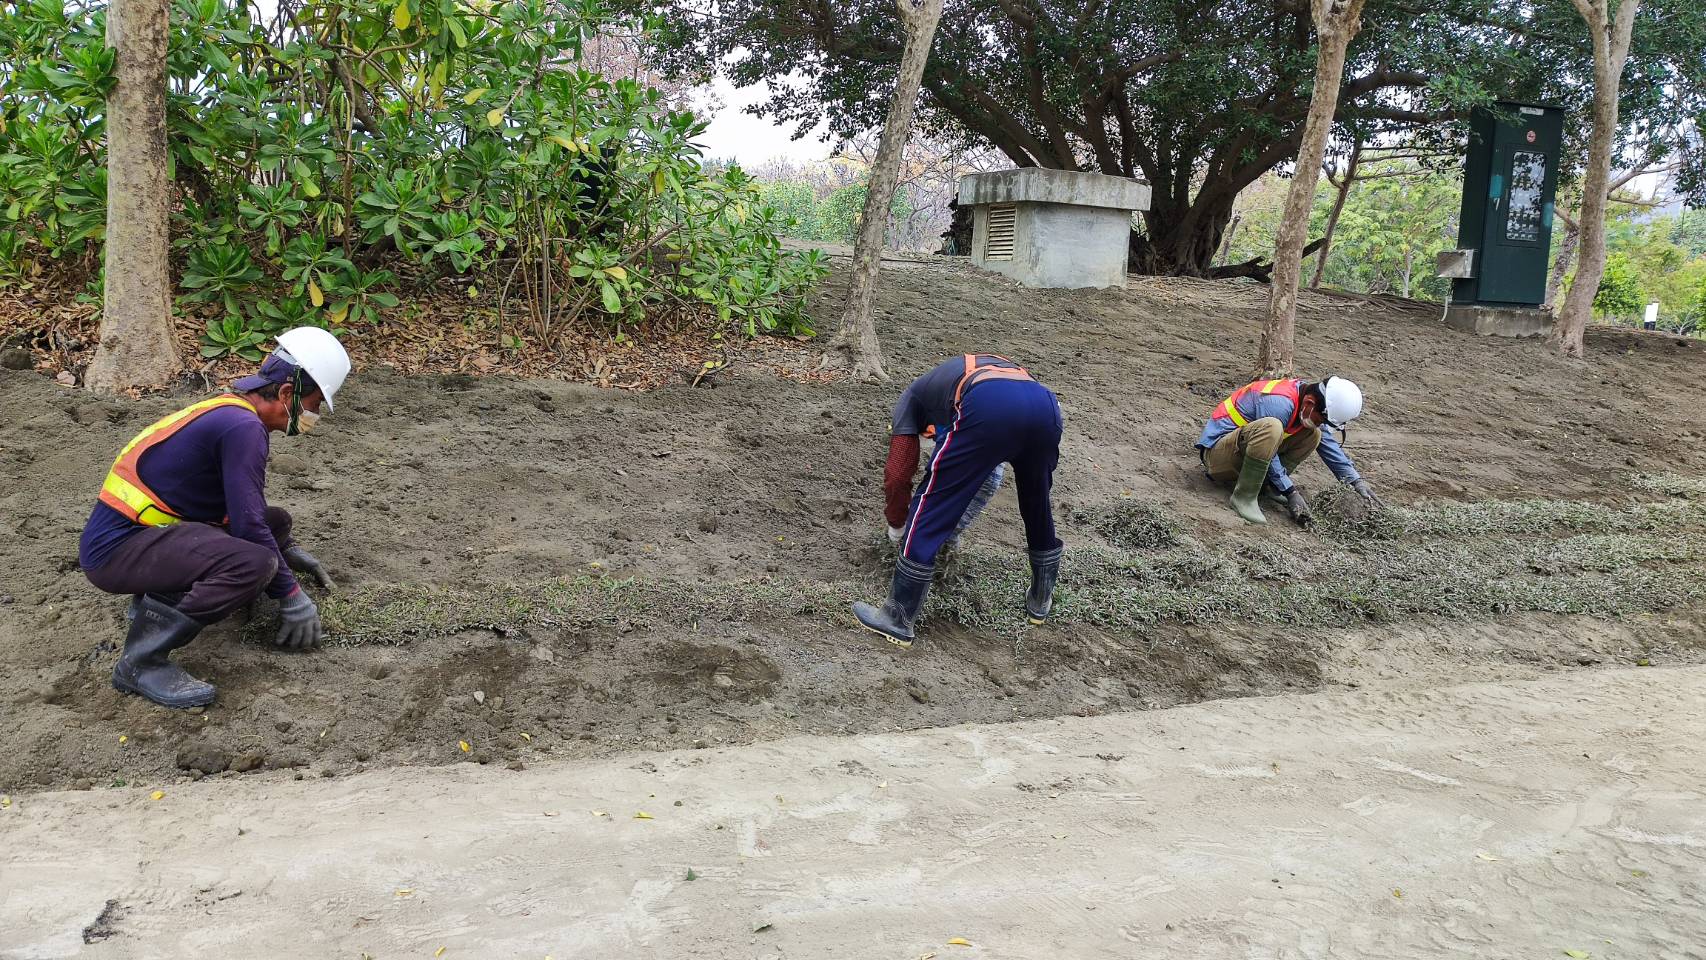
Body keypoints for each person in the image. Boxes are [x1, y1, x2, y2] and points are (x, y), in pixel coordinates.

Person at [78, 327, 351, 709]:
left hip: (145, 535)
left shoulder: (232, 411)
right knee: (254, 564)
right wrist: (290, 595)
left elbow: (251, 514)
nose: (313, 415)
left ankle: (156, 597)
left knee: (277, 524)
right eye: (314, 403)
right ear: (287, 393)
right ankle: (141, 662)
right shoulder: (244, 429)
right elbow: (246, 526)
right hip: (115, 552)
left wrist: (285, 548)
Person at [855, 354, 1065, 648]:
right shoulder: (952, 380)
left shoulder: (912, 397)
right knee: (1036, 501)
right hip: (1046, 407)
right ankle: (1041, 600)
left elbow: (897, 474)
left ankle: (896, 617)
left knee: (930, 503)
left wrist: (896, 528)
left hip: (990, 404)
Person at [1194, 374, 1381, 526]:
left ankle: (1269, 487)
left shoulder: (1308, 402)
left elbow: (1328, 444)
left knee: (1314, 434)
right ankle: (1244, 496)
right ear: (1309, 403)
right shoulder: (1279, 403)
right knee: (1272, 428)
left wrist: (1355, 480)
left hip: (1241, 452)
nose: (1321, 424)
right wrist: (1290, 491)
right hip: (1217, 457)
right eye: (1321, 420)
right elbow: (1270, 447)